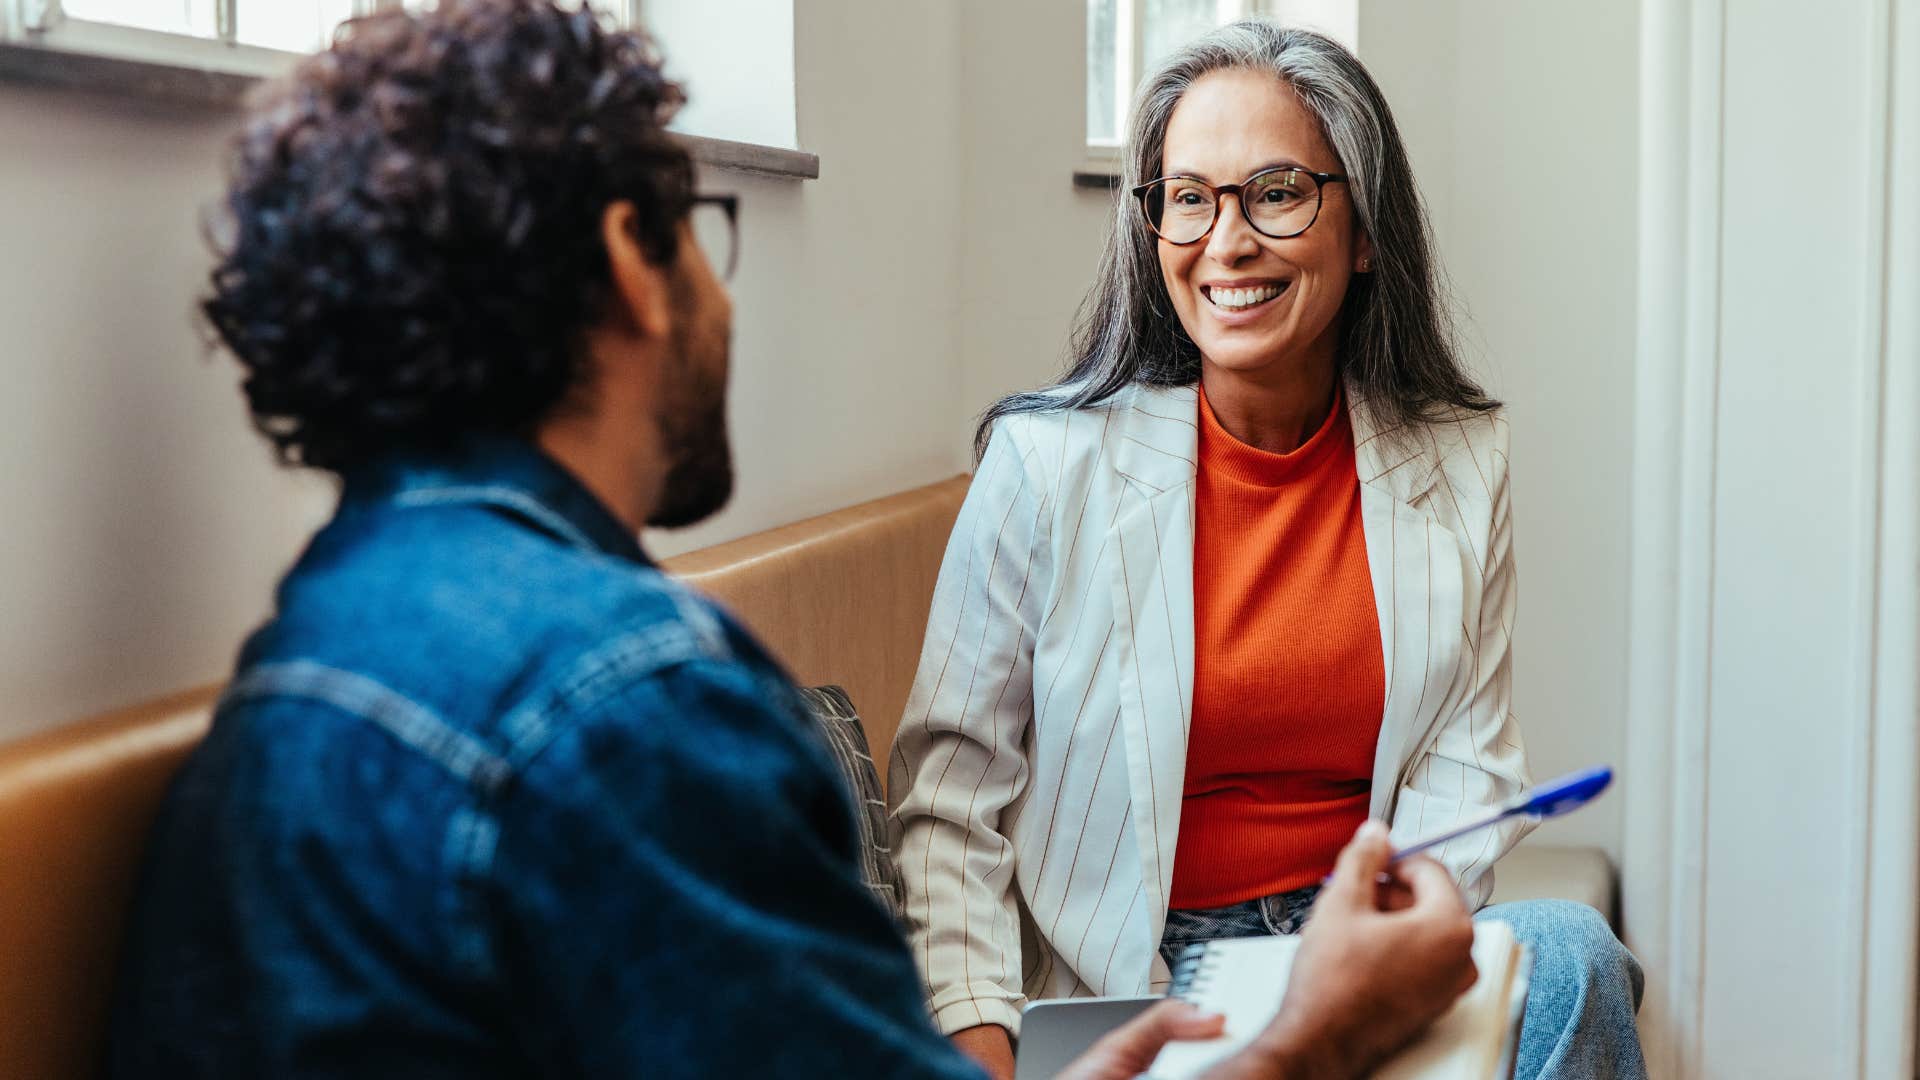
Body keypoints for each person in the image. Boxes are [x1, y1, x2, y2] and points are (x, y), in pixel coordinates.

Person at [106, 3, 1483, 1077]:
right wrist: (1310, 1043)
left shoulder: (309, 645)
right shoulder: (633, 713)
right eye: (703, 230)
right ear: (631, 266)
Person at [888, 21, 1647, 1080]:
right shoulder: (1043, 464)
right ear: (1151, 228)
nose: (1227, 241)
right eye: (1188, 197)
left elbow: (1464, 765)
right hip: (1144, 983)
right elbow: (949, 803)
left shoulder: (1463, 461)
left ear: (1366, 228)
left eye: (1277, 191)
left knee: (1573, 955)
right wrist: (980, 1046)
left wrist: (1366, 962)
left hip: (1360, 937)